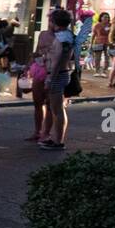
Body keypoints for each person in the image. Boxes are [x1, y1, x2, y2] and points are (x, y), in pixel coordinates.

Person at [40, 9, 75, 151]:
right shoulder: (67, 35)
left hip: (57, 74)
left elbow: (58, 59)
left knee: (57, 109)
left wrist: (50, 78)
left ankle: (58, 140)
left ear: (54, 22)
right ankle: (56, 138)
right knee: (57, 109)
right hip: (61, 73)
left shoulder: (62, 38)